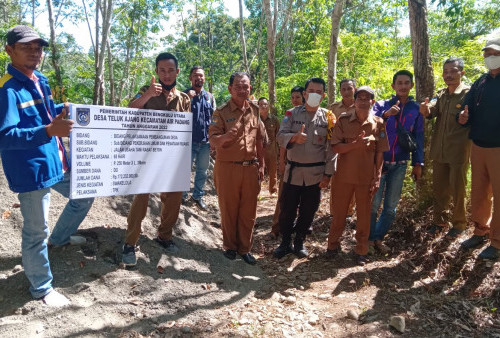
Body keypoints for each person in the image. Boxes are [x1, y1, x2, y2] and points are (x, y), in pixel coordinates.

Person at [0, 25, 94, 306]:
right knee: (35, 231)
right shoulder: (8, 89)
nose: (34, 52)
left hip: (55, 162)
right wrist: (50, 131)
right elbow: (5, 136)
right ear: (9, 50)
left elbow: (42, 116)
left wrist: (61, 110)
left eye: (38, 47)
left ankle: (61, 238)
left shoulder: (39, 79)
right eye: (26, 47)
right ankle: (41, 288)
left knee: (84, 195)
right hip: (31, 171)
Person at [122, 52, 190, 267]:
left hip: (172, 157)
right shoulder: (146, 91)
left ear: (177, 72)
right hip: (146, 155)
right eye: (162, 70)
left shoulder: (185, 99)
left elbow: (185, 128)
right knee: (141, 198)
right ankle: (130, 242)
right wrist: (149, 95)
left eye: (171, 70)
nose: (167, 74)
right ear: (156, 72)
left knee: (173, 200)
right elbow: (129, 110)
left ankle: (164, 236)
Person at [273, 78, 335, 259]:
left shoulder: (329, 118)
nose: (313, 94)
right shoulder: (291, 114)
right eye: (310, 90)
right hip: (293, 173)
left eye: (318, 91)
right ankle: (285, 242)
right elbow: (280, 136)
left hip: (316, 175)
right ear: (305, 93)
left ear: (323, 96)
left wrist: (328, 174)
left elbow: (332, 149)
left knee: (308, 210)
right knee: (287, 209)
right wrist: (294, 138)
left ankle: (299, 242)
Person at [326, 86, 389, 265]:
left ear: (372, 102)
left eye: (367, 98)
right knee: (339, 213)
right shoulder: (343, 120)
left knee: (364, 215)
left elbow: (380, 153)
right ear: (354, 101)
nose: (363, 101)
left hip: (366, 178)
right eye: (359, 98)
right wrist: (355, 144)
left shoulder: (378, 123)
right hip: (343, 177)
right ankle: (332, 246)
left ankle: (361, 250)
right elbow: (336, 147)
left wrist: (377, 177)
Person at [209, 72, 266, 265]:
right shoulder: (221, 112)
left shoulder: (255, 110)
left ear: (250, 88)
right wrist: (225, 138)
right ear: (230, 89)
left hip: (251, 168)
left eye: (246, 86)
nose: (242, 90)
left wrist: (262, 163)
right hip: (228, 168)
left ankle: (245, 249)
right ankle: (230, 247)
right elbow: (213, 139)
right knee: (229, 208)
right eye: (238, 87)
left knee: (249, 211)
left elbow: (259, 138)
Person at [369, 70, 424, 254]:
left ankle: (377, 238)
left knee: (391, 207)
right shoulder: (381, 105)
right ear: (393, 86)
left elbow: (418, 137)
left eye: (406, 83)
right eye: (399, 83)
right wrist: (386, 115)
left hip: (400, 163)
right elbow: (371, 125)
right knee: (373, 204)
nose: (402, 86)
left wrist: (418, 163)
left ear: (411, 86)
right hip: (380, 162)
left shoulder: (416, 109)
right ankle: (367, 240)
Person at [458, 36, 500, 260]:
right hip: (478, 145)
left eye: (495, 54)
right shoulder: (481, 82)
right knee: (480, 192)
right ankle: (480, 230)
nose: (490, 58)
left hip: (499, 147)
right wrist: (463, 116)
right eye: (487, 54)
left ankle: (497, 241)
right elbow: (466, 109)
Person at [419, 58, 470, 239]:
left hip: (458, 151)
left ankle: (459, 224)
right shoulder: (441, 95)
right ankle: (439, 222)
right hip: (439, 151)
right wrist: (425, 109)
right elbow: (430, 111)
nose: (448, 75)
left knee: (458, 189)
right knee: (439, 189)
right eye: (445, 71)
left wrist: (467, 118)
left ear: (462, 73)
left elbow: (473, 118)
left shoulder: (468, 94)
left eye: (453, 71)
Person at [265, 87, 304, 241]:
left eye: (298, 97)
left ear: (305, 97)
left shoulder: (313, 115)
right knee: (283, 197)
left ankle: (297, 231)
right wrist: (281, 162)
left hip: (308, 166)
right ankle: (276, 229)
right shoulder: (289, 115)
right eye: (293, 97)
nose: (295, 100)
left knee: (302, 201)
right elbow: (282, 141)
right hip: (290, 164)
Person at [182, 66, 216, 210]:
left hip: (205, 142)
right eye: (196, 75)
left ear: (204, 78)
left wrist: (214, 139)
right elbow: (177, 115)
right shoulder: (183, 95)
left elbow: (215, 120)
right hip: (187, 142)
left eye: (201, 76)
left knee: (202, 171)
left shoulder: (210, 97)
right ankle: (182, 197)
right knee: (185, 170)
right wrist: (187, 99)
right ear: (190, 78)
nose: (199, 78)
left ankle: (197, 196)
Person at [328, 79, 357, 219]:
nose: (346, 92)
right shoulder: (334, 108)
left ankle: (349, 211)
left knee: (352, 179)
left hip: (354, 148)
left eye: (349, 88)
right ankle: (334, 211)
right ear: (340, 91)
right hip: (337, 148)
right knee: (336, 180)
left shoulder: (360, 107)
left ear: (355, 89)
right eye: (343, 89)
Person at [258, 97, 280, 195]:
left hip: (272, 150)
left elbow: (279, 135)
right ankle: (257, 191)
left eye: (265, 104)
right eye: (261, 104)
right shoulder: (255, 119)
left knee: (273, 171)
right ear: (258, 106)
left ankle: (273, 190)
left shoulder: (274, 120)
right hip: (258, 151)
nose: (263, 106)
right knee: (257, 172)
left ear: (268, 106)